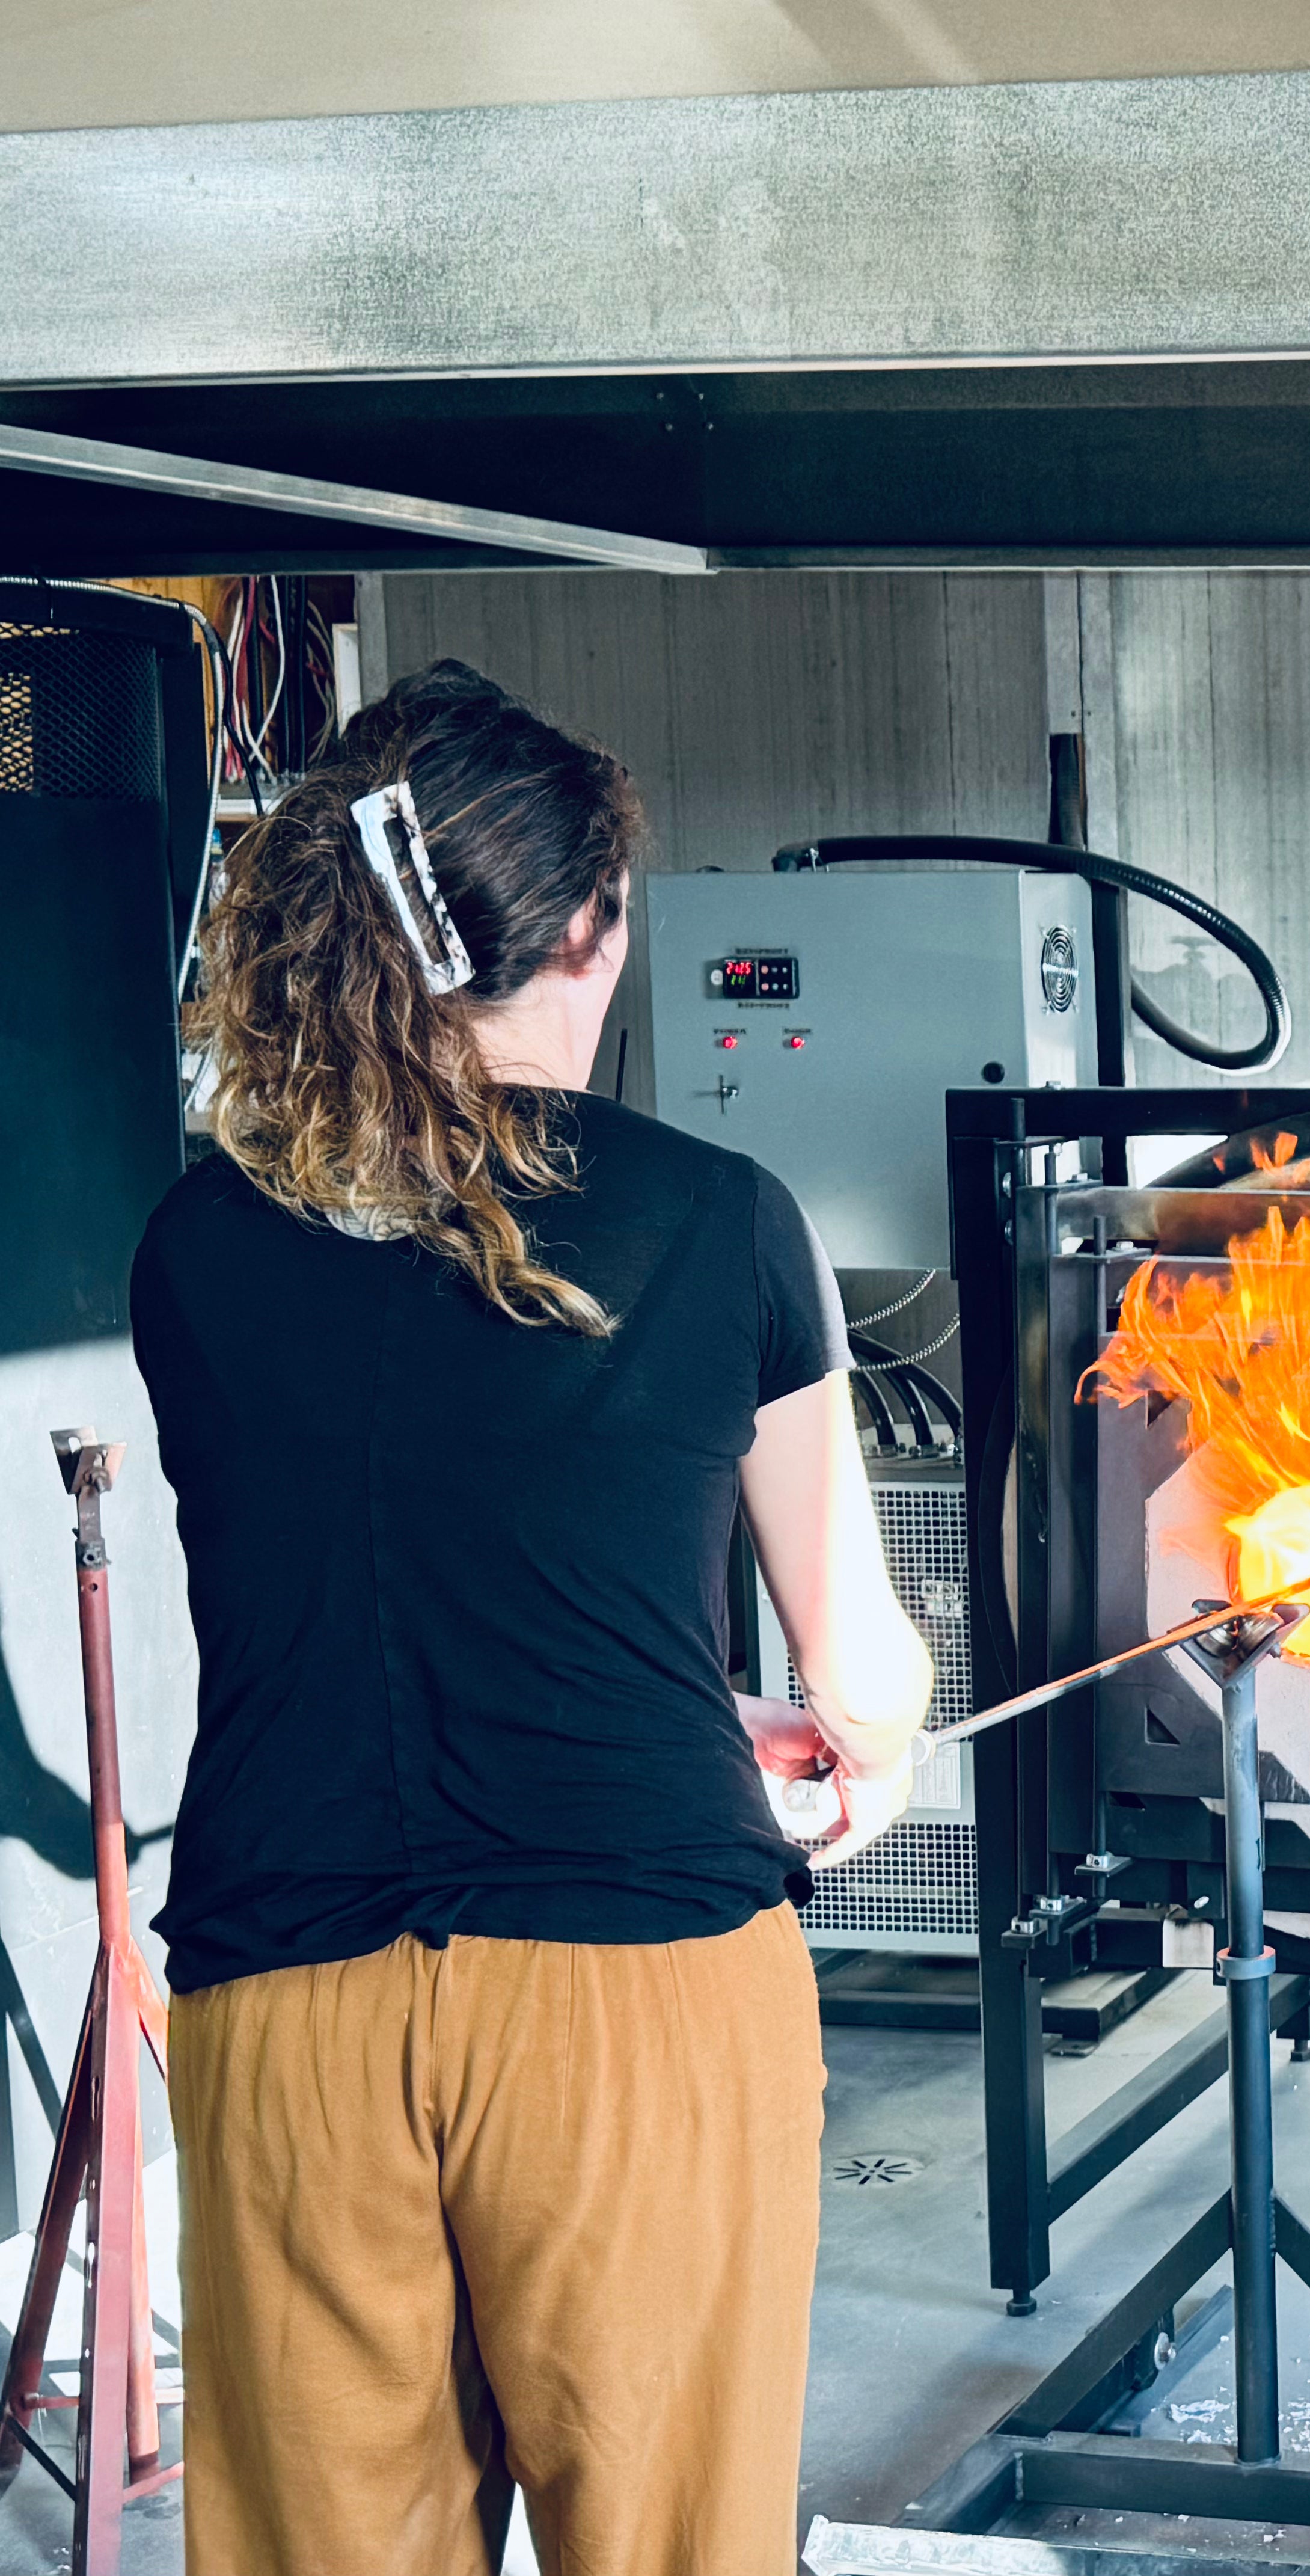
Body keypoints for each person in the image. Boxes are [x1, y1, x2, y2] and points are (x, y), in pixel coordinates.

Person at [130, 660, 935, 2576]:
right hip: (632, 1991)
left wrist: (665, 1696)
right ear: (589, 929)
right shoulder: (718, 1217)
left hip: (285, 2002)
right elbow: (861, 1666)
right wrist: (855, 1758)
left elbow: (386, 1577)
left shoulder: (196, 1240)